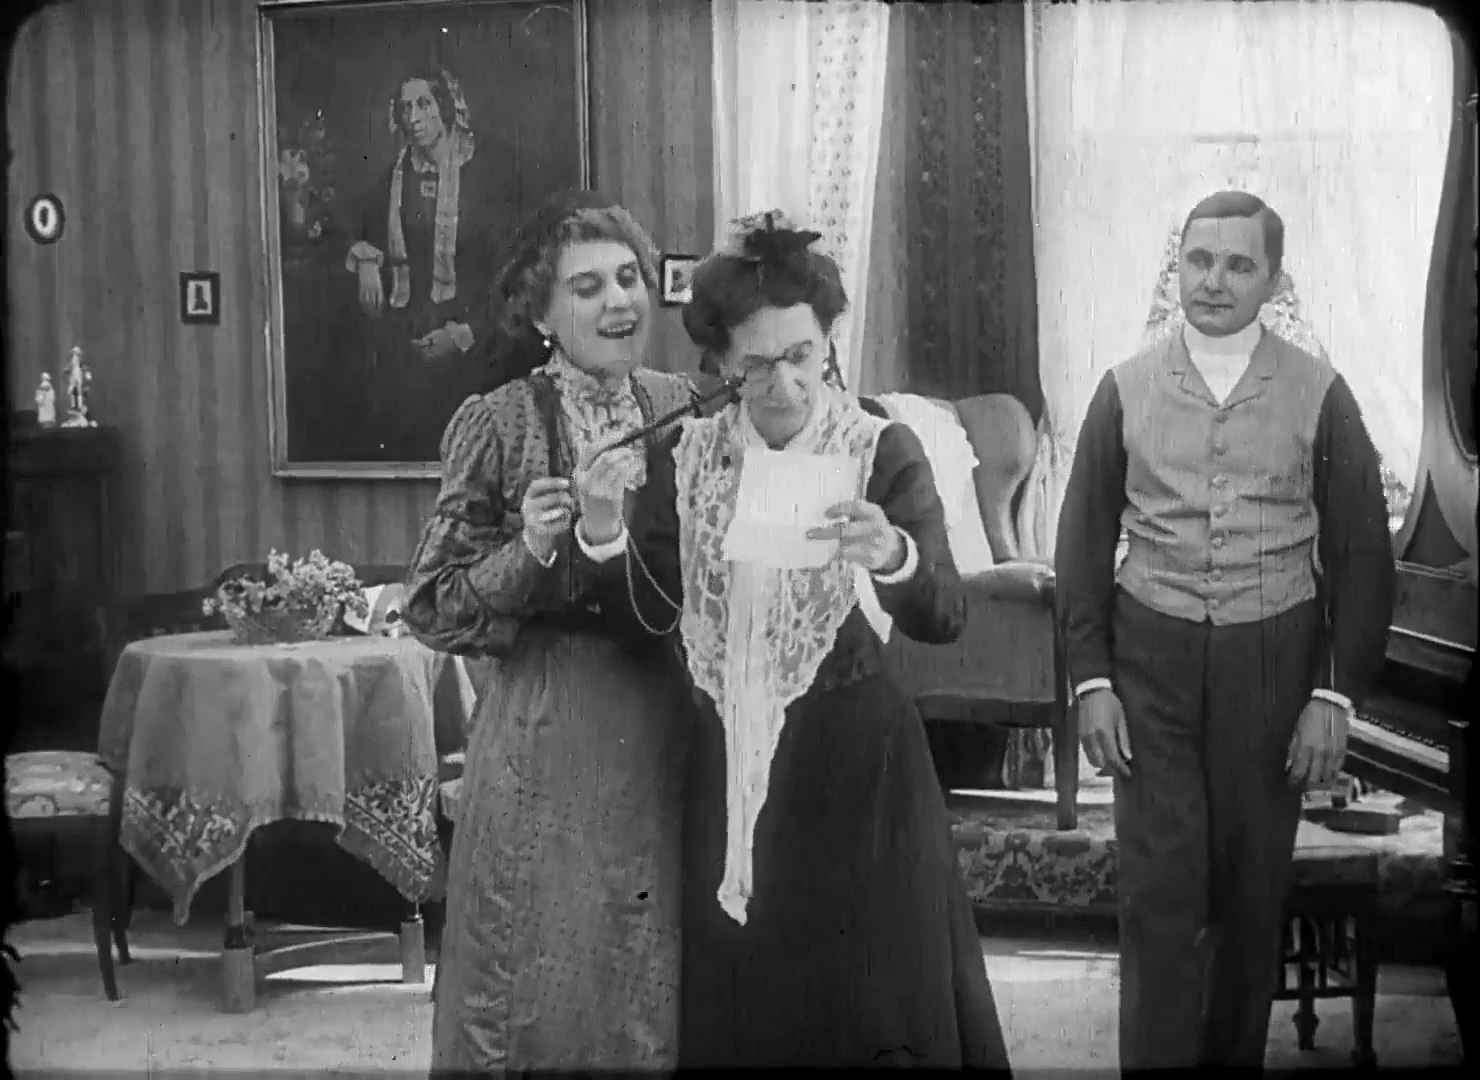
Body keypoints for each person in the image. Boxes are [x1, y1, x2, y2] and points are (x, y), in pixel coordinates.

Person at [575, 211, 1012, 1069]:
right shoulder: (687, 455)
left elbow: (944, 614)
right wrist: (600, 529)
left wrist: (893, 554)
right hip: (728, 772)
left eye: (802, 356)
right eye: (757, 365)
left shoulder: (879, 445)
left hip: (858, 769)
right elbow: (646, 622)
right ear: (719, 364)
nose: (785, 385)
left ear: (828, 343)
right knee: (750, 1007)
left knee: (867, 1005)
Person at [1055, 190, 1395, 1069]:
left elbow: (1362, 556)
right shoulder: (1123, 388)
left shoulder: (1321, 393)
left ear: (1273, 280)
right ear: (1178, 266)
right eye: (1199, 260)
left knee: (1250, 899)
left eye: (1240, 264)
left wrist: (1332, 697)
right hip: (1150, 664)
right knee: (1158, 896)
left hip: (1271, 665)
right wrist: (1093, 680)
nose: (1214, 280)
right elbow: (1081, 543)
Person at [402, 190, 696, 1073]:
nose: (619, 302)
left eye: (629, 278)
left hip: (664, 716)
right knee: (532, 963)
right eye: (586, 287)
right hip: (545, 725)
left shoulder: (684, 407)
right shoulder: (498, 423)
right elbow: (432, 603)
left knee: (647, 963)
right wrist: (529, 549)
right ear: (540, 315)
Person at [342, 70, 510, 462]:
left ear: (446, 108)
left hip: (472, 339)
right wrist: (365, 259)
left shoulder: (485, 176)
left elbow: (510, 274)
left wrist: (463, 334)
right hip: (408, 334)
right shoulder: (396, 176)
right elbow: (352, 222)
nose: (413, 118)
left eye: (423, 105)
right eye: (405, 108)